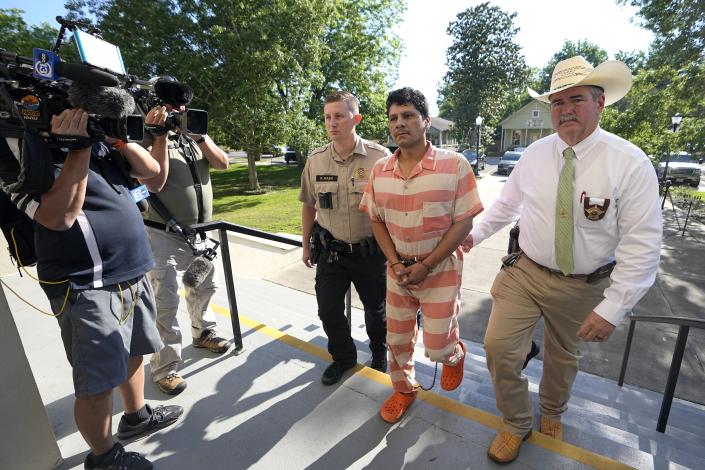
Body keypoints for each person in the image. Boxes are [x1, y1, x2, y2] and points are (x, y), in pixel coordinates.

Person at [463, 56, 662, 464]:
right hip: (527, 272)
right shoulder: (534, 155)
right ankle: (516, 423)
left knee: (562, 357)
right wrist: (473, 235)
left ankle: (551, 411)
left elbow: (642, 244)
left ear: (600, 103)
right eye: (556, 103)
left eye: (576, 99)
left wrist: (613, 308)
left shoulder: (629, 163)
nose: (565, 110)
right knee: (498, 347)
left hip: (584, 285)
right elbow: (505, 206)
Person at [5, 105, 183, 469]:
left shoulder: (101, 142)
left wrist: (112, 135)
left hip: (131, 270)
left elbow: (153, 175)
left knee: (134, 352)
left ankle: (136, 416)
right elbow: (59, 216)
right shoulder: (16, 147)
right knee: (97, 382)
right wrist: (78, 146)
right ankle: (103, 457)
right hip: (85, 283)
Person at [360, 87, 483, 423]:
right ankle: (403, 389)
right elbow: (375, 218)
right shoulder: (381, 170)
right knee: (396, 340)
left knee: (438, 345)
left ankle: (454, 355)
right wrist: (396, 263)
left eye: (408, 115)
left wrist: (427, 264)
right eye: (393, 118)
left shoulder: (454, 165)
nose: (400, 123)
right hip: (398, 272)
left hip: (440, 269)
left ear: (426, 121)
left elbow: (464, 220)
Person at [140, 78, 230, 395]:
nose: (179, 113)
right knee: (165, 302)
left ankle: (202, 332)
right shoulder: (142, 138)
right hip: (163, 235)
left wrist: (201, 138)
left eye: (182, 108)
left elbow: (222, 163)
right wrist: (159, 136)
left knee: (203, 286)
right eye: (172, 108)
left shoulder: (193, 135)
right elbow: (153, 181)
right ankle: (164, 368)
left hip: (198, 236)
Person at [299, 90, 389, 385]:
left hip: (370, 253)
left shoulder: (379, 158)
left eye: (339, 115)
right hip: (332, 253)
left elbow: (393, 207)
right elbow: (309, 204)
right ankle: (344, 357)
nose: (331, 122)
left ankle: (379, 355)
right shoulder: (316, 160)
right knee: (328, 311)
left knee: (377, 313)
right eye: (327, 117)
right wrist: (304, 246)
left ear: (356, 119)